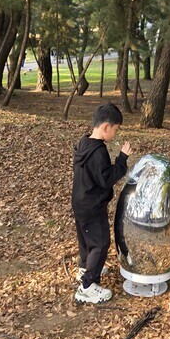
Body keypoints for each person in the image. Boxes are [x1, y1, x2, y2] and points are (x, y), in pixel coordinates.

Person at [72, 103, 132, 304]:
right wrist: (122, 159)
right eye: (115, 129)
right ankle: (87, 286)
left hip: (80, 202)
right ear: (106, 127)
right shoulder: (98, 152)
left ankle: (85, 266)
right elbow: (106, 178)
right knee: (100, 242)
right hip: (92, 205)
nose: (115, 134)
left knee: (86, 238)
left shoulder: (83, 143)